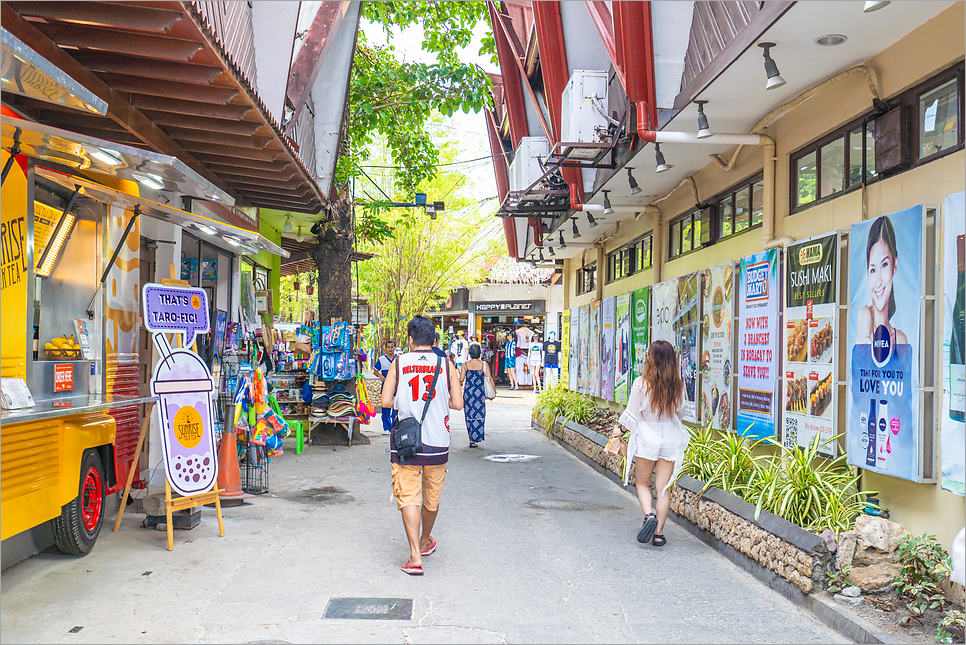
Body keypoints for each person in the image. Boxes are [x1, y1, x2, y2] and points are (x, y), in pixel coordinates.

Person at [382, 316, 462, 576]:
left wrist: (404, 402)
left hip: (406, 441)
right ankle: (426, 541)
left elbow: (385, 401)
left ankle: (415, 556)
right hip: (438, 440)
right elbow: (458, 403)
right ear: (434, 340)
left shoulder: (400, 361)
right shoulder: (444, 364)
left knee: (408, 496)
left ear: (410, 339)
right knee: (432, 496)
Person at [610, 340, 688, 548]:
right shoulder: (677, 384)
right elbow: (681, 412)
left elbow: (632, 415)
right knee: (662, 489)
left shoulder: (641, 383)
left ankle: (649, 515)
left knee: (643, 483)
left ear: (650, 358)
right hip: (670, 439)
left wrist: (621, 430)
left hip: (647, 439)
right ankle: (659, 534)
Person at [857, 215, 908, 346]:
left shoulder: (900, 340)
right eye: (873, 270)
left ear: (894, 265)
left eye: (884, 265)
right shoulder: (865, 315)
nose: (878, 282)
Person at [460, 343, 496, 448]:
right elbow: (489, 378)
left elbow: (461, 379)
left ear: (470, 353)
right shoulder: (483, 364)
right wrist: (494, 391)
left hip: (468, 393)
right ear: (480, 353)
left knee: (469, 415)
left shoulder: (465, 365)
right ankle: (477, 436)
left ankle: (471, 439)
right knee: (479, 415)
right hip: (479, 393)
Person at [373, 340, 397, 435]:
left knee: (396, 407)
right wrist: (380, 376)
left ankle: (395, 428)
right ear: (385, 348)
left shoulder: (399, 358)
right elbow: (375, 371)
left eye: (392, 347)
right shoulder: (381, 359)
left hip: (397, 387)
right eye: (388, 347)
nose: (390, 349)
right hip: (386, 387)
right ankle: (387, 428)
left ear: (394, 348)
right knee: (386, 407)